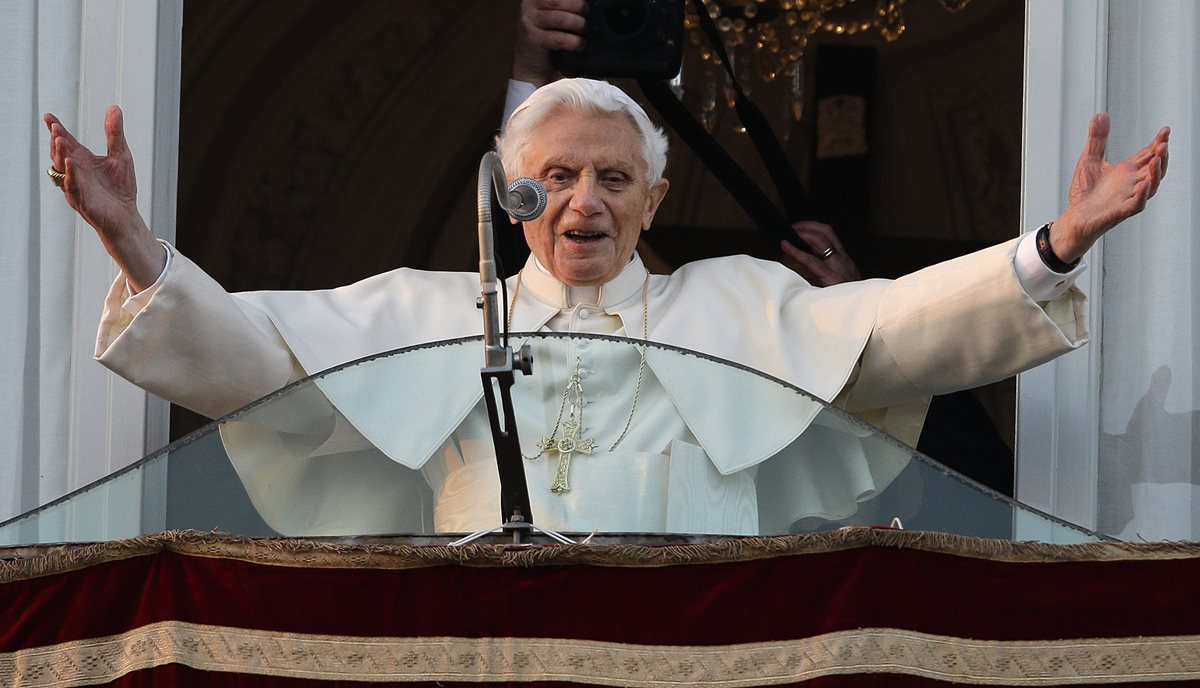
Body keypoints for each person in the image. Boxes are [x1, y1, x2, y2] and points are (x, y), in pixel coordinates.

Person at [42, 37, 1167, 537]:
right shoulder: (437, 314)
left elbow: (893, 333)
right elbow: (256, 362)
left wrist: (1055, 242)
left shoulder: (733, 309)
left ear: (652, 201)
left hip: (695, 649)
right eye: (558, 176)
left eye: (613, 178)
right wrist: (136, 241)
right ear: (515, 196)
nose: (585, 200)